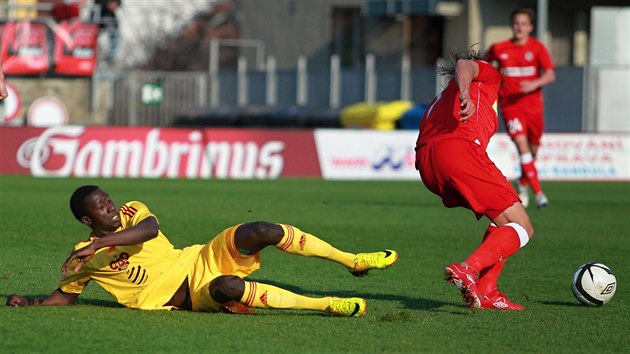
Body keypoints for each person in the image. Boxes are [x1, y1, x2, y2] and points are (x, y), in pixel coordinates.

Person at [6, 185, 398, 317]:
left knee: (260, 229)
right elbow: (66, 296)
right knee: (227, 287)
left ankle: (352, 261)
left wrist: (103, 241)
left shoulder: (131, 212)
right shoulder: (84, 258)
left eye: (107, 198)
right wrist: (33, 302)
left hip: (200, 257)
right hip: (187, 295)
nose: (109, 205)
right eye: (100, 205)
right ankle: (328, 304)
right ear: (86, 220)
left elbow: (149, 230)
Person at [414, 49, 534, 310]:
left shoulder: (444, 97)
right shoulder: (487, 77)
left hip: (428, 165)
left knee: (502, 219)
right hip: (459, 151)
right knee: (522, 227)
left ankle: (488, 290)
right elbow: (465, 64)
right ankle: (468, 270)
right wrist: (467, 91)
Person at [486, 8, 555, 209]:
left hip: (533, 108)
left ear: (530, 27)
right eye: (516, 23)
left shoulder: (537, 48)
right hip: (510, 107)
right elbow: (487, 67)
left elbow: (550, 74)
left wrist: (533, 84)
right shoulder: (499, 48)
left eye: (523, 24)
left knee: (533, 152)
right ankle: (539, 193)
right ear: (512, 25)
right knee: (522, 147)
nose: (519, 27)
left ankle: (522, 182)